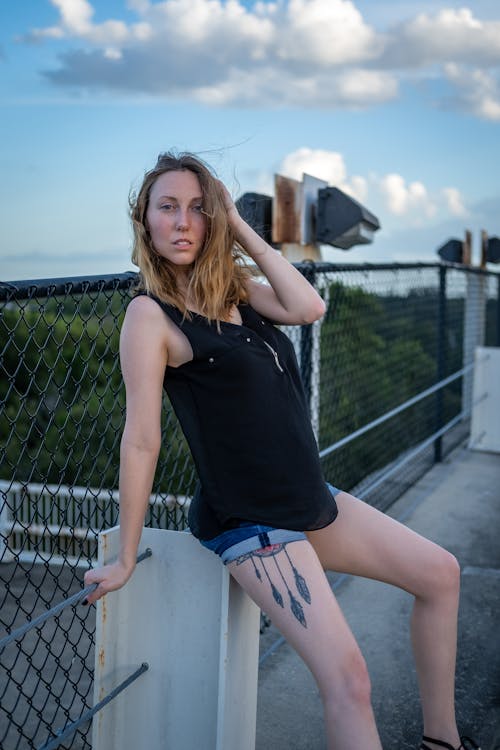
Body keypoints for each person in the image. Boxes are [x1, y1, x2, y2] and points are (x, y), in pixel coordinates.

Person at [84, 152, 479, 750]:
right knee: (348, 680)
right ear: (145, 221)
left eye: (199, 208)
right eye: (168, 208)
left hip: (305, 499)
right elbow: (141, 438)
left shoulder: (237, 289)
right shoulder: (150, 315)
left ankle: (443, 742)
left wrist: (240, 226)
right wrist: (125, 553)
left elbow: (309, 307)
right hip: (252, 520)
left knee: (441, 574)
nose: (184, 222)